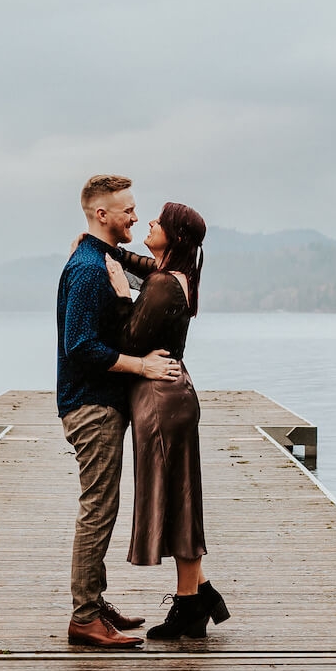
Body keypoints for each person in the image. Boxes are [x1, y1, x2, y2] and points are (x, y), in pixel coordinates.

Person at [56, 175, 181, 648]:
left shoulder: (99, 258)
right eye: (127, 210)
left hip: (100, 402)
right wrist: (143, 367)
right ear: (101, 215)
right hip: (92, 406)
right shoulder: (89, 269)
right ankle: (84, 617)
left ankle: (95, 601)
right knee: (98, 509)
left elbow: (160, 274)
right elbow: (80, 345)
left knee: (102, 508)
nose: (135, 216)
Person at [108, 202, 227, 640]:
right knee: (182, 499)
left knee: (176, 505)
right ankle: (197, 595)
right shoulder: (178, 277)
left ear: (174, 239)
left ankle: (191, 605)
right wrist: (117, 256)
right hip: (174, 398)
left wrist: (121, 291)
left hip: (160, 402)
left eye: (159, 220)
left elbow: (128, 339)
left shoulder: (160, 287)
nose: (150, 223)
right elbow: (147, 266)